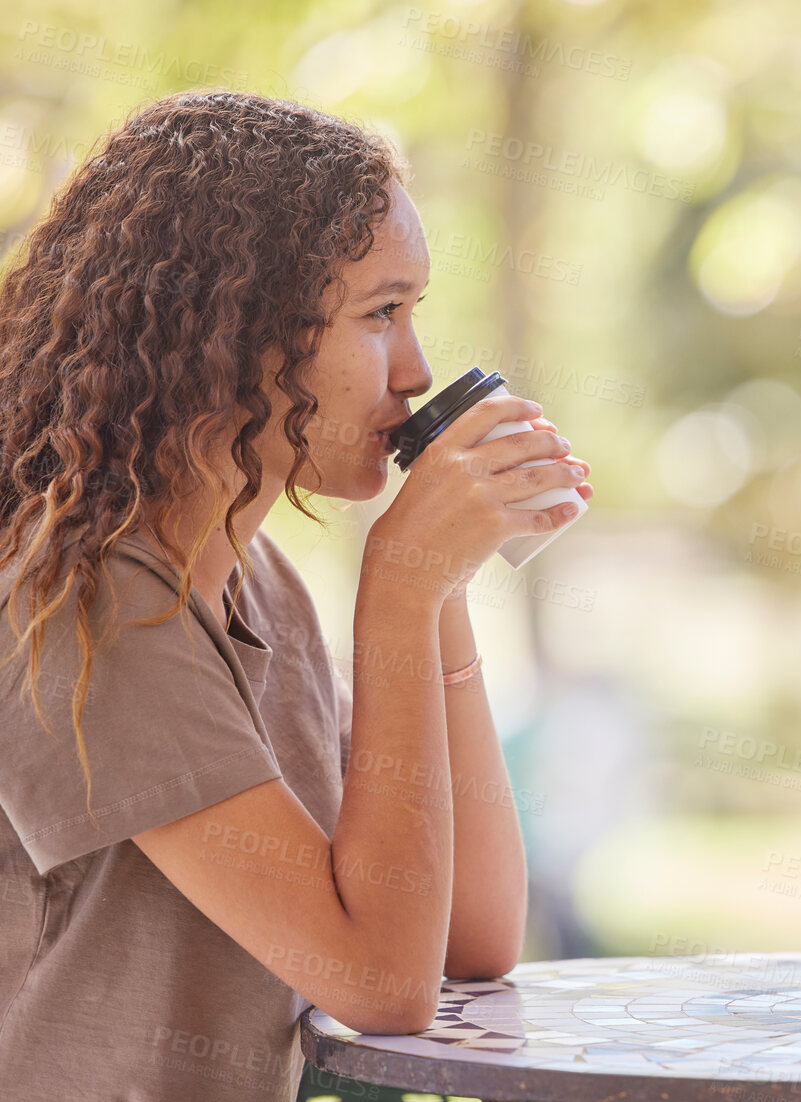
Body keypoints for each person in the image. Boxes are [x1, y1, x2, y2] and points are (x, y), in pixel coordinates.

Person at [0, 90, 592, 1100]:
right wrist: (399, 587)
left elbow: (471, 936)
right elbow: (382, 985)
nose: (416, 372)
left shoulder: (258, 583)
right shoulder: (87, 603)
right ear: (228, 331)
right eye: (381, 313)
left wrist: (440, 582)